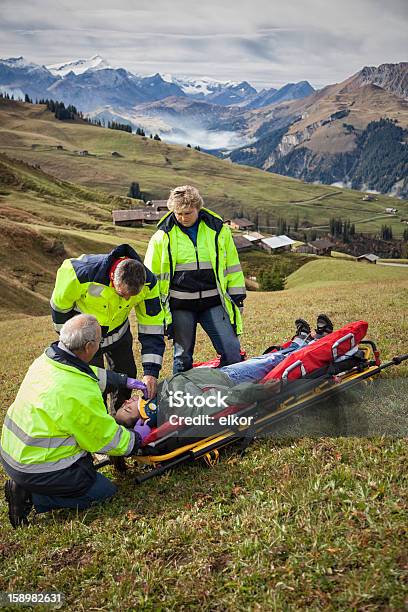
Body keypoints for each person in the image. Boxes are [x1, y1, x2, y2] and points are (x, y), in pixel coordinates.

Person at [1, 315, 152, 528]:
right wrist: (136, 439)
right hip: (38, 467)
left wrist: (121, 380)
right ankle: (32, 497)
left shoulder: (48, 359)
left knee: (85, 468)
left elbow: (85, 373)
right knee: (104, 492)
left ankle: (31, 486)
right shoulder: (78, 391)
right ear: (90, 346)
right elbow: (104, 438)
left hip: (13, 453)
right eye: (99, 342)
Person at [115, 315, 335, 430]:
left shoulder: (163, 399)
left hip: (221, 374)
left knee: (268, 358)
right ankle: (316, 339)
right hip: (230, 379)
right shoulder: (176, 407)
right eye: (127, 411)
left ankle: (302, 338)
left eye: (123, 406)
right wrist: (260, 391)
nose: (126, 403)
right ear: (144, 416)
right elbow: (224, 398)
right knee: (273, 360)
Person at [144, 185, 246, 374]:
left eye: (188, 213)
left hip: (214, 302)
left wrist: (237, 295)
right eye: (178, 213)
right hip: (181, 306)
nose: (183, 218)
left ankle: (231, 393)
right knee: (182, 358)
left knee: (232, 353)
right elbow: (151, 275)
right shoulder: (161, 237)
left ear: (198, 208)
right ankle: (182, 399)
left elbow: (232, 265)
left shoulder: (219, 231)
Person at [50, 243, 165, 403]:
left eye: (131, 296)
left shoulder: (149, 284)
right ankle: (99, 419)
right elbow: (60, 308)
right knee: (91, 385)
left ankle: (121, 418)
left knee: (126, 377)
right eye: (122, 294)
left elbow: (152, 325)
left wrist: (151, 371)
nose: (126, 299)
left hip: (119, 335)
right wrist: (72, 345)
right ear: (113, 279)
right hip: (85, 339)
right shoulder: (79, 273)